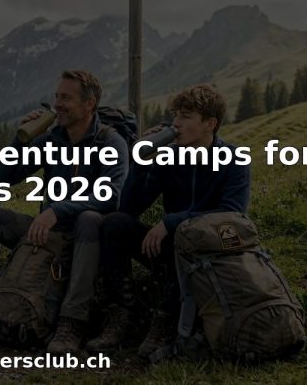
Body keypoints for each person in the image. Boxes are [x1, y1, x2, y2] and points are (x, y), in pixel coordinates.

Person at [0, 70, 129, 354]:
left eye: (66, 98)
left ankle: (71, 323)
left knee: (89, 219)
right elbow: (4, 177)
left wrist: (58, 210)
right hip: (46, 231)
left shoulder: (110, 142)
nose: (58, 104)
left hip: (83, 236)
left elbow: (111, 196)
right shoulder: (52, 140)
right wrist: (21, 140)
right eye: (57, 96)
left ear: (89, 103)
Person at [90, 84, 251, 356]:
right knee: (115, 223)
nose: (176, 123)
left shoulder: (235, 160)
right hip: (170, 249)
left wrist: (171, 222)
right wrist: (142, 162)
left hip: (210, 254)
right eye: (175, 115)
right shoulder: (169, 157)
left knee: (182, 240)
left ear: (210, 124)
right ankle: (123, 312)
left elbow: (231, 215)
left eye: (185, 116)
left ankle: (166, 319)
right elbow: (129, 208)